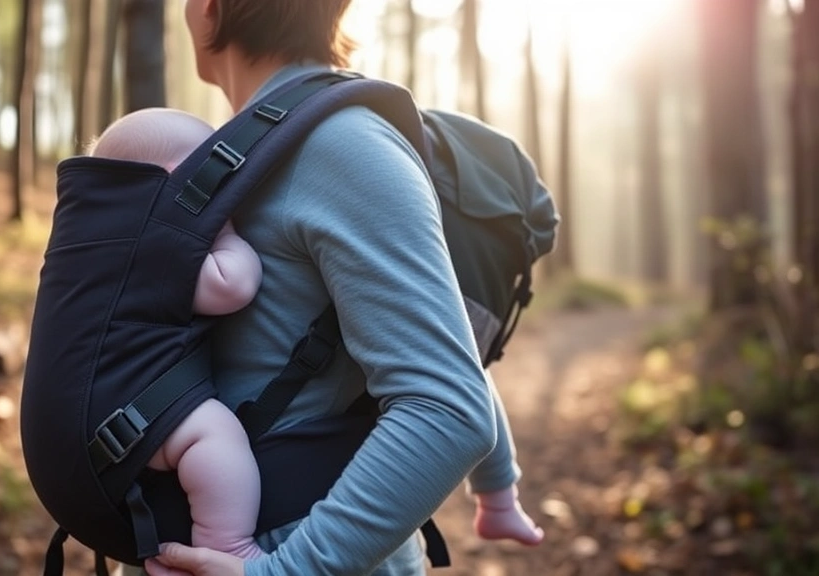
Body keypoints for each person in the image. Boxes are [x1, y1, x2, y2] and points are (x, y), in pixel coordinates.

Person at [125, 1, 544, 574]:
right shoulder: (245, 143)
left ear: (210, 8)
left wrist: (282, 572)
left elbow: (448, 407)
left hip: (295, 549)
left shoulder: (344, 145)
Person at [88, 107, 265, 561]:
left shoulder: (102, 241)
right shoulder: (155, 247)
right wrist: (224, 234)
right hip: (131, 407)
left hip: (100, 399)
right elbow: (233, 285)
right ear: (173, 182)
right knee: (216, 436)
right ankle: (228, 543)